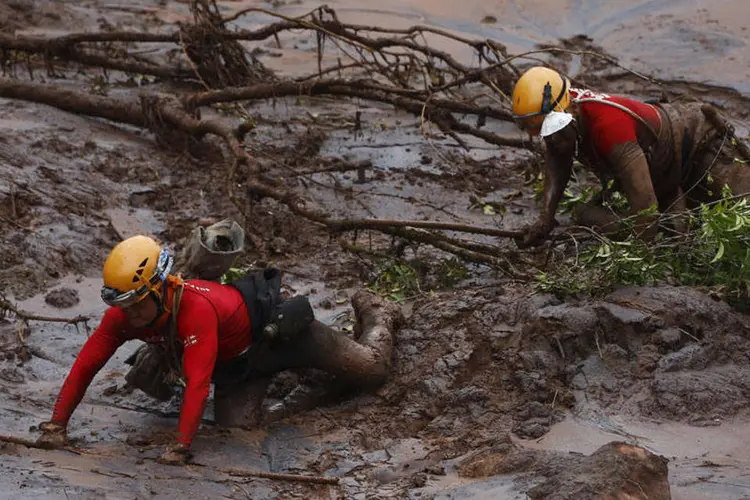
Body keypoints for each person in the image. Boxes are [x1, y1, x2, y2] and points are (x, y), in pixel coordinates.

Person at [36, 235, 403, 465]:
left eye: (137, 304)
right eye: (124, 305)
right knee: (235, 428)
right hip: (241, 367)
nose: (130, 315)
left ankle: (376, 311)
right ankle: (316, 388)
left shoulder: (196, 312)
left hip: (284, 336)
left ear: (162, 290)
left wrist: (180, 446)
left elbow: (197, 383)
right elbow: (87, 364)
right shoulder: (124, 316)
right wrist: (57, 424)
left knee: (373, 370)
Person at [511, 66, 750, 248]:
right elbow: (556, 161)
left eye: (554, 129)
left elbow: (646, 207)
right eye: (542, 133)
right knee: (587, 215)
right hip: (663, 173)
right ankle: (676, 213)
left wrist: (640, 260)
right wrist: (545, 219)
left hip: (697, 142)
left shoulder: (610, 127)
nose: (551, 140)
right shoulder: (562, 115)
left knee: (743, 212)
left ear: (573, 109)